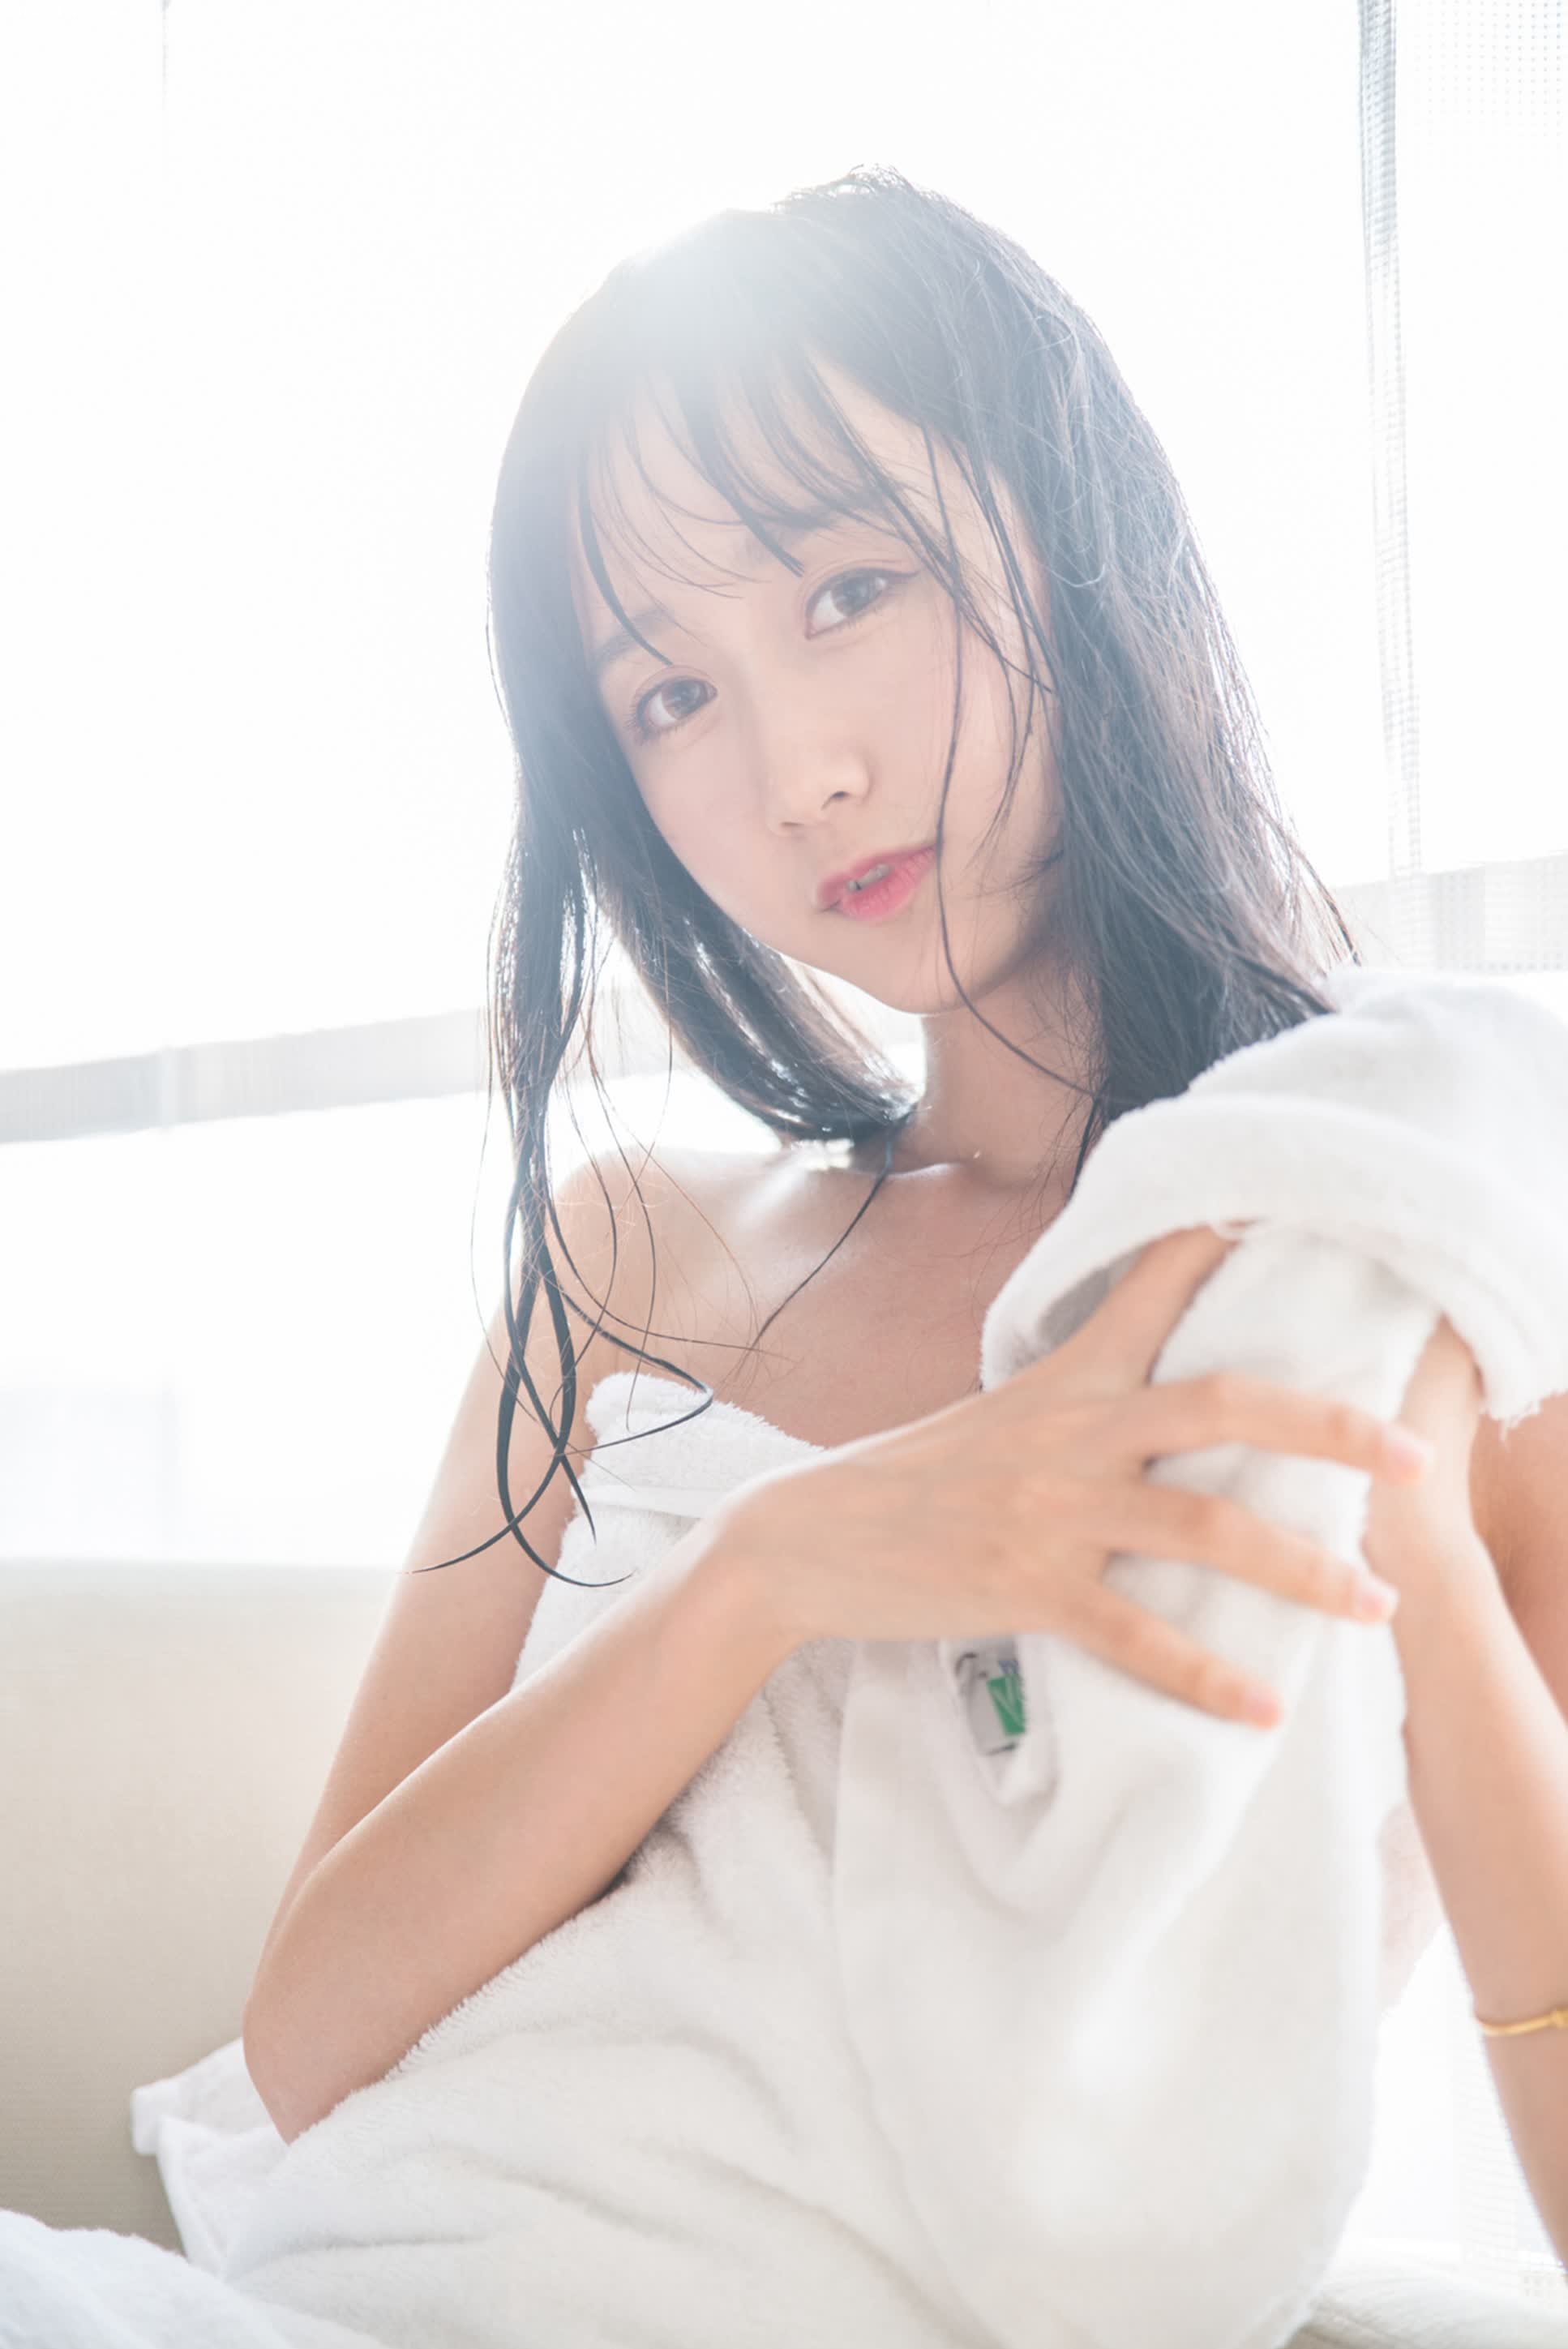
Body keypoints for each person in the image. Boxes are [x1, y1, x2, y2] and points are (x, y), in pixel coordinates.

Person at [241, 163, 1448, 2162]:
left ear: (1068, 528)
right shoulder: (640, 1249)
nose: (798, 774)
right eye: (670, 695)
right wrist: (762, 1572)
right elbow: (297, 2043)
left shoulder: (1389, 1226)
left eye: (845, 593)